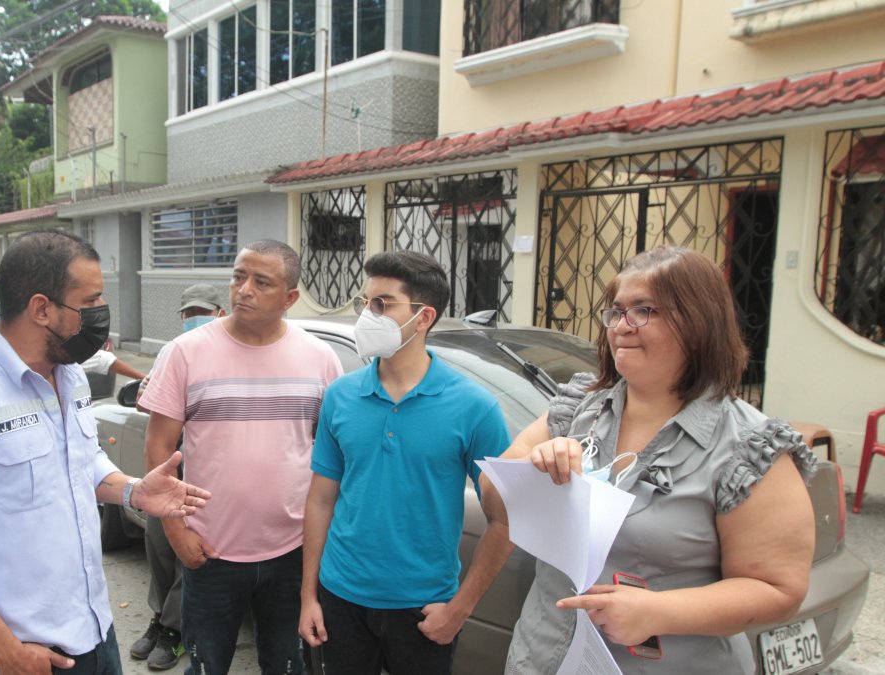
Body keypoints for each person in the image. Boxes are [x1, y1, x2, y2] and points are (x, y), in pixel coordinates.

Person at [477, 246, 816, 673]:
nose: (621, 326)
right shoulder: (577, 409)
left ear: (698, 322)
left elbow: (778, 589)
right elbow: (493, 503)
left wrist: (658, 611)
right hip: (543, 658)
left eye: (644, 311)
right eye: (616, 311)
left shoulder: (746, 447)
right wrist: (533, 471)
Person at [0, 229, 211, 675]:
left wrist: (134, 492)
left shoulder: (68, 375)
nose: (101, 315)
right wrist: (4, 650)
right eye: (91, 303)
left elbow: (80, 462)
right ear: (41, 308)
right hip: (17, 652)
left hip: (92, 628)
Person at [298, 251, 512, 675]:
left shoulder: (474, 407)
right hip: (341, 596)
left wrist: (460, 610)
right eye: (365, 302)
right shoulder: (341, 396)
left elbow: (507, 519)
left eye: (382, 304)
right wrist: (309, 596)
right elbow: (321, 500)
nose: (367, 315)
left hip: (424, 608)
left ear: (424, 317)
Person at [140, 240, 343, 675]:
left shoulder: (320, 358)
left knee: (288, 666)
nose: (243, 290)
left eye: (261, 282)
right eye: (238, 276)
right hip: (210, 552)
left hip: (293, 552)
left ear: (289, 297)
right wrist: (178, 536)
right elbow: (159, 449)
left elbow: (328, 454)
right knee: (206, 666)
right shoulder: (187, 352)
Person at [130, 283, 226, 671]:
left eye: (201, 312)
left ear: (220, 313)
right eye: (188, 313)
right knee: (159, 543)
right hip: (169, 465)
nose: (194, 319)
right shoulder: (174, 352)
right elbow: (147, 403)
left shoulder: (228, 353)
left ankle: (175, 629)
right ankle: (161, 618)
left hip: (209, 470)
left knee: (191, 548)